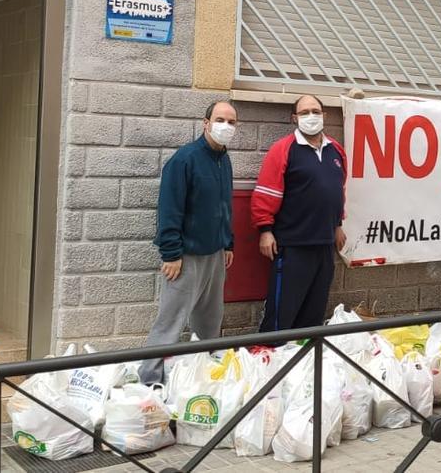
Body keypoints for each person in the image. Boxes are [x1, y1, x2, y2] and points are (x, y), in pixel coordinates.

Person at [139, 102, 238, 384]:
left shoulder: (224, 160)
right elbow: (169, 208)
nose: (226, 126)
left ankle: (206, 374)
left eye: (232, 122)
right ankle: (149, 380)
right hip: (186, 257)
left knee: (210, 321)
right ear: (205, 122)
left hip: (216, 254)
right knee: (170, 322)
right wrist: (171, 253)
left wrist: (228, 243)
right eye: (220, 119)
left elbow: (224, 206)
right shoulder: (185, 159)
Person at [253, 95, 348, 332]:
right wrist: (265, 230)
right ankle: (271, 356)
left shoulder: (336, 151)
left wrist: (338, 224)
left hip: (325, 244)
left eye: (315, 111)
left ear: (324, 115)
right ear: (294, 118)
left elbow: (338, 190)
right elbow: (266, 192)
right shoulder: (283, 149)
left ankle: (304, 363)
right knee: (282, 313)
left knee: (314, 313)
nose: (311, 117)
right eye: (304, 112)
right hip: (292, 245)